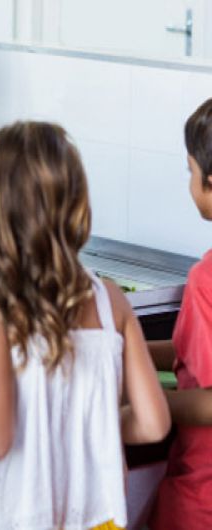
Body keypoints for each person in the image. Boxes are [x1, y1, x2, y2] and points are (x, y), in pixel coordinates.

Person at [0, 122, 170, 530]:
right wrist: (95, 431)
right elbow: (154, 423)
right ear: (77, 206)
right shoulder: (110, 301)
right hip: (99, 519)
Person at [149, 98, 212, 529]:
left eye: (190, 171)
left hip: (201, 499)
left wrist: (139, 405)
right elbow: (195, 352)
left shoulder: (205, 278)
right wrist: (128, 349)